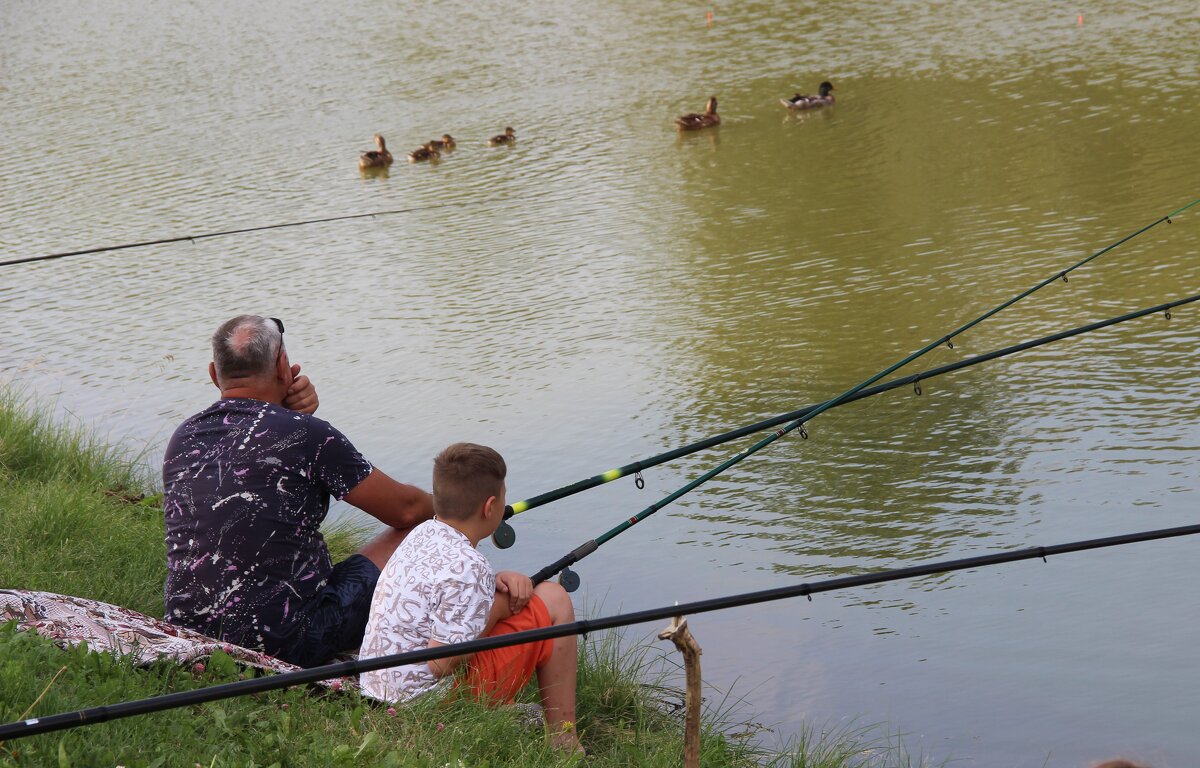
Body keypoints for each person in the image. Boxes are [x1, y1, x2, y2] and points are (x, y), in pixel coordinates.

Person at [163, 314, 433, 667]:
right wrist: (452, 511)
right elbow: (407, 510)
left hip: (192, 631)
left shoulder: (183, 437)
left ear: (214, 374)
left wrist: (285, 413)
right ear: (283, 365)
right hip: (287, 643)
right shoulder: (307, 434)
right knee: (422, 528)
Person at [359, 442, 581, 752]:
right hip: (425, 709)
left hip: (378, 692)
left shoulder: (421, 534)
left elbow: (444, 594)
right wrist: (500, 607)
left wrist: (492, 584)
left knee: (534, 600)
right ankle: (564, 739)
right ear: (491, 507)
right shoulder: (470, 567)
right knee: (554, 599)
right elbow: (444, 662)